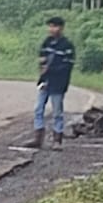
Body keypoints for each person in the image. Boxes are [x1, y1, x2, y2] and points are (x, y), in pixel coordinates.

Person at [32, 16, 75, 149]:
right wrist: (43, 73)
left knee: (57, 112)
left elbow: (67, 67)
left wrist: (50, 69)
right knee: (38, 109)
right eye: (50, 26)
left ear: (61, 28)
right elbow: (42, 60)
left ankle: (57, 140)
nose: (51, 29)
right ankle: (38, 138)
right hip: (45, 81)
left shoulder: (67, 46)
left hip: (58, 82)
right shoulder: (47, 43)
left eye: (54, 26)